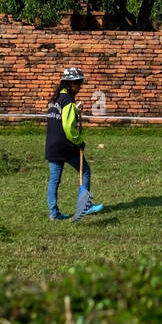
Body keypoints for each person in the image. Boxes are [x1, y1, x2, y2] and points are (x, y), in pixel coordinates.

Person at [45, 67, 103, 221]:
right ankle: (85, 206)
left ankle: (54, 213)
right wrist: (79, 142)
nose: (80, 87)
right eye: (78, 83)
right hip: (66, 145)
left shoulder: (55, 99)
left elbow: (60, 117)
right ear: (70, 84)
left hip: (52, 145)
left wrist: (75, 111)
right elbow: (68, 128)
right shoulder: (68, 101)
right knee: (85, 171)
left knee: (54, 180)